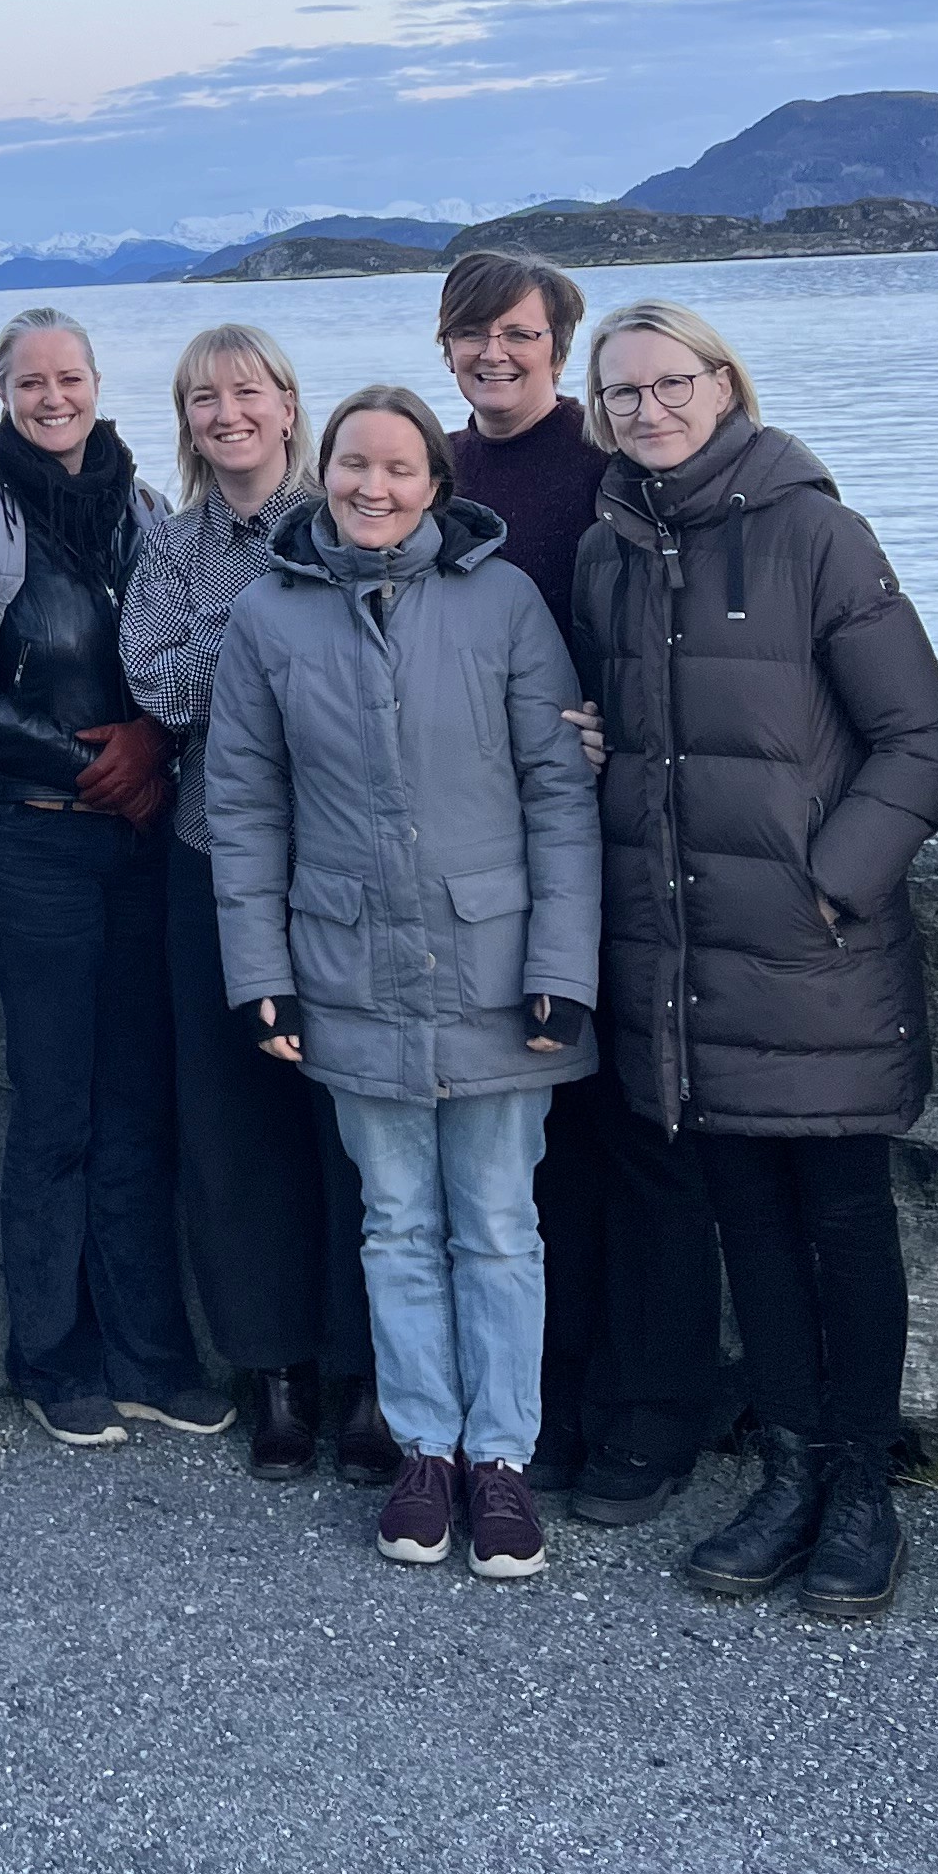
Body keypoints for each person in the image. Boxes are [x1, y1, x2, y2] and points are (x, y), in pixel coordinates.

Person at [576, 300, 938, 1623]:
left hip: (814, 957)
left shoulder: (815, 531)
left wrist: (831, 886)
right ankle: (790, 1473)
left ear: (723, 383)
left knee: (845, 1226)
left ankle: (862, 1490)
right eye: (623, 393)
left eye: (671, 383)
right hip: (684, 962)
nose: (650, 410)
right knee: (746, 1222)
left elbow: (921, 737)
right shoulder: (608, 549)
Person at [205, 383, 600, 1580]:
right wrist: (259, 974)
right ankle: (425, 1449)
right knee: (396, 1224)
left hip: (493, 962)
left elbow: (558, 793)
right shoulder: (270, 618)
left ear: (438, 482)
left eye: (398, 469)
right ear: (321, 473)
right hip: (349, 963)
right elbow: (244, 806)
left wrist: (561, 966)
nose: (373, 489)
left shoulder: (505, 603)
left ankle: (503, 1463)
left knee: (496, 1223)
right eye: (352, 467)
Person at [437, 247, 725, 1525]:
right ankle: (549, 1395)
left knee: (640, 1134)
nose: (494, 354)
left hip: (615, 849)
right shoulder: (437, 473)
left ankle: (655, 1410)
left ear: (560, 345)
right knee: (536, 1150)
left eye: (517, 333)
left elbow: (665, 634)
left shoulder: (608, 471)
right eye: (470, 335)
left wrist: (608, 720)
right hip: (485, 865)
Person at [0, 309, 227, 1449]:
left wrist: (156, 746)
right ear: (1, 392)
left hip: (142, 840)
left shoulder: (149, 518)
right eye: (31, 381)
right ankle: (54, 1354)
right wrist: (95, 760)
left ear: (100, 384)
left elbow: (178, 659)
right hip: (35, 841)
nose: (54, 398)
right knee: (56, 1106)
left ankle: (152, 1352)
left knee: (138, 1103)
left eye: (71, 378)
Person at [119, 322, 383, 1476]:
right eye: (200, 400)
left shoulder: (360, 515)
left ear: (288, 404)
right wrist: (280, 602)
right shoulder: (173, 548)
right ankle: (270, 1374)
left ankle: (367, 1376)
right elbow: (161, 685)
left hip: (344, 863)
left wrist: (277, 608)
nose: (224, 414)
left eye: (245, 393)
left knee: (353, 1120)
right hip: (212, 860)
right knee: (232, 1127)